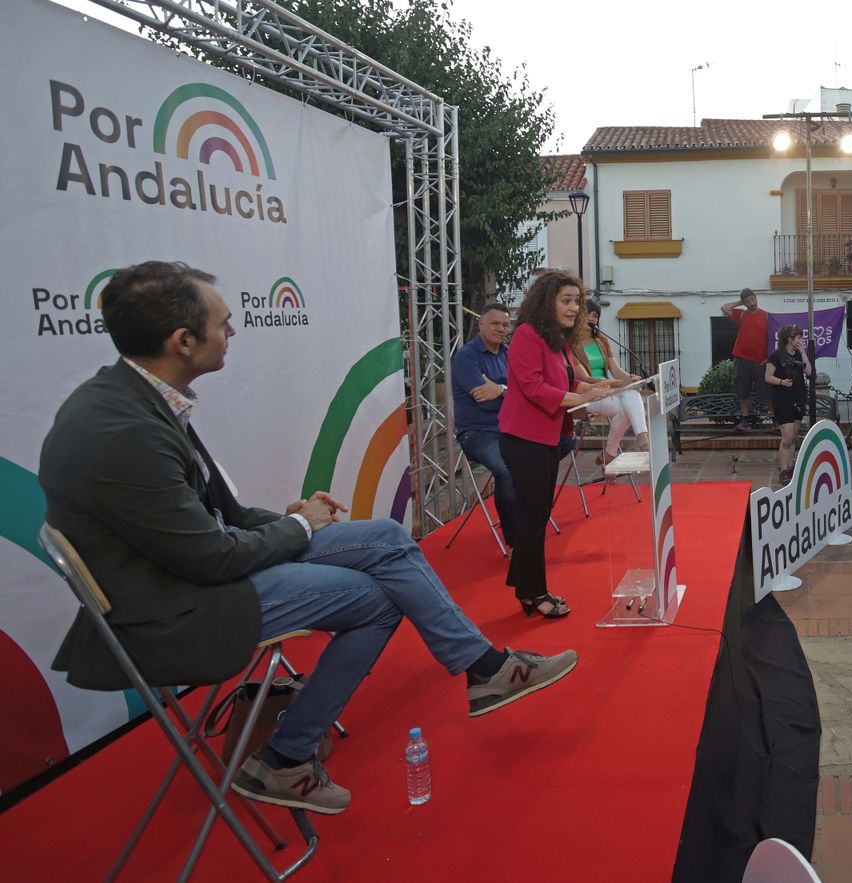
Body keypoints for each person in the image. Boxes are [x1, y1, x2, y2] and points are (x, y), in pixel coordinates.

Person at [42, 261, 579, 816]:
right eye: (224, 325)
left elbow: (211, 516)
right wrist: (296, 528)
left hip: (189, 570)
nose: (233, 333)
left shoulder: (137, 398)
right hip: (175, 607)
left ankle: (482, 671)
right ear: (182, 341)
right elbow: (209, 556)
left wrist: (286, 519)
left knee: (387, 538)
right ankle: (288, 755)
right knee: (376, 600)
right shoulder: (125, 429)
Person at [502, 271, 619, 619]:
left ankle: (522, 581)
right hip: (524, 439)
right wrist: (579, 395)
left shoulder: (558, 341)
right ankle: (533, 593)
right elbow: (534, 388)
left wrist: (601, 387)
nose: (573, 308)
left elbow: (570, 381)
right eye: (566, 301)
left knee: (536, 515)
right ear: (546, 301)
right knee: (534, 517)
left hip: (548, 437)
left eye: (576, 302)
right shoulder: (526, 336)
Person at [451, 302, 517, 546]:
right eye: (495, 323)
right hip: (478, 432)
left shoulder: (510, 353)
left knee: (553, 450)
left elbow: (524, 392)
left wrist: (499, 390)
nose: (501, 329)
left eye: (505, 324)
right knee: (508, 470)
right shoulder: (467, 357)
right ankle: (515, 539)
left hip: (510, 428)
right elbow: (482, 399)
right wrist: (509, 395)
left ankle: (531, 521)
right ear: (480, 324)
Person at [572, 299, 648, 468]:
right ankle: (611, 453)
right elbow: (585, 379)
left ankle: (641, 437)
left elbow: (616, 369)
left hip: (610, 390)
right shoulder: (570, 344)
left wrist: (629, 378)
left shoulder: (601, 340)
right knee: (625, 408)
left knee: (631, 392)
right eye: (587, 314)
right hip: (585, 395)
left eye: (595, 315)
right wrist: (619, 383)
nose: (591, 318)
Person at [764, 324, 811, 486]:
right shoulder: (776, 356)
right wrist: (782, 382)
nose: (801, 340)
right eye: (798, 337)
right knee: (787, 435)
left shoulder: (798, 354)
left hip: (798, 398)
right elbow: (768, 377)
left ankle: (790, 466)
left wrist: (803, 352)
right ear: (790, 339)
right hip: (783, 399)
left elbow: (809, 372)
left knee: (793, 436)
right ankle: (783, 469)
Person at [721, 288, 769, 431]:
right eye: (747, 301)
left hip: (760, 361)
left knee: (767, 392)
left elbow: (773, 339)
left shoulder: (766, 316)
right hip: (742, 360)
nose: (751, 303)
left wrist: (768, 357)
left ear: (756, 298)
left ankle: (776, 420)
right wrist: (739, 302)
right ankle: (745, 420)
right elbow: (724, 308)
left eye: (752, 299)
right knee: (743, 391)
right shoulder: (741, 315)